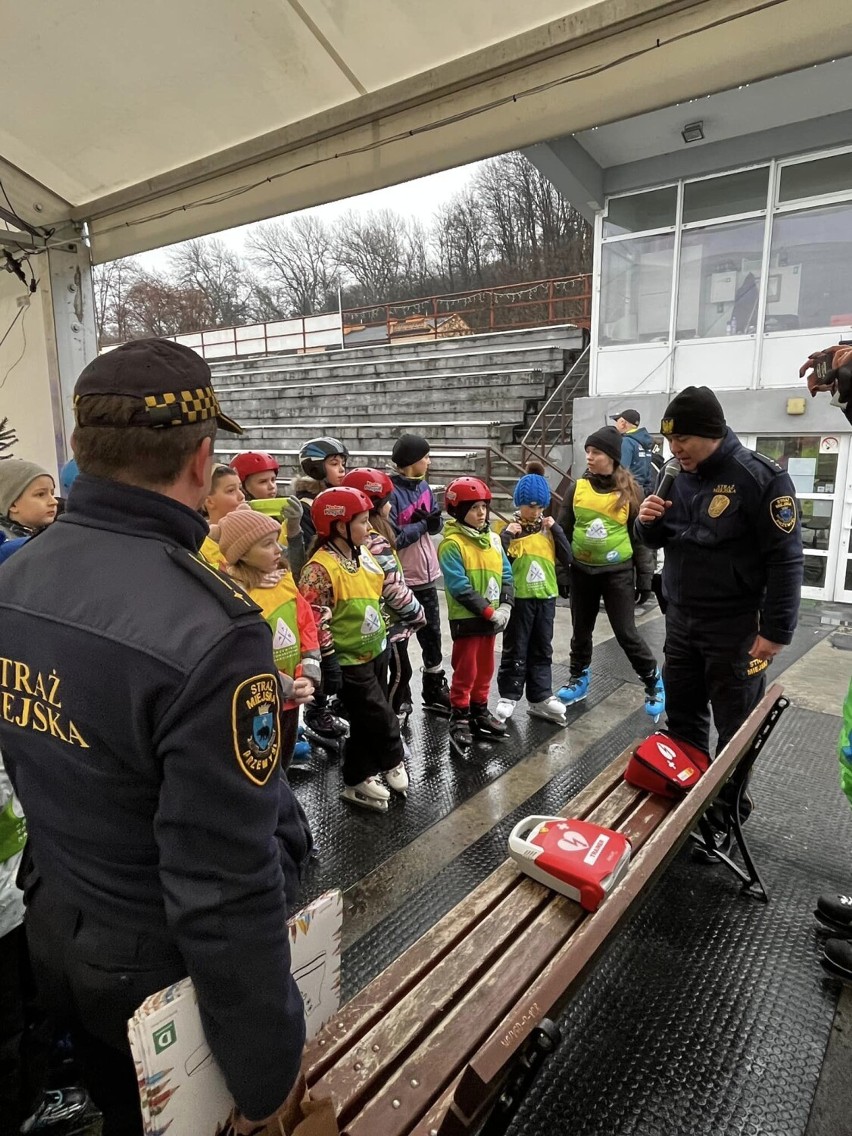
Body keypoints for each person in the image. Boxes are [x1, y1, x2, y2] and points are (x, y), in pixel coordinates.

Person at [0, 338, 313, 1135]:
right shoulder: (210, 628)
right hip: (162, 979)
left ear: (79, 448)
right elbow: (224, 882)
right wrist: (268, 1071)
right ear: (202, 456)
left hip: (58, 928)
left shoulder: (15, 578)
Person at [635, 385, 803, 770]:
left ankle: (728, 813)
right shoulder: (672, 473)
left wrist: (776, 632)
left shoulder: (760, 478)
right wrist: (645, 522)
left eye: (683, 438)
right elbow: (658, 539)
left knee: (737, 731)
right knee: (682, 723)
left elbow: (786, 560)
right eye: (670, 439)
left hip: (736, 628)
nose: (675, 448)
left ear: (712, 433)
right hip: (680, 623)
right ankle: (688, 800)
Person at [299, 486, 410, 810]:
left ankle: (359, 775)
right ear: (338, 525)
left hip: (377, 649)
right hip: (349, 659)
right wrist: (328, 660)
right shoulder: (318, 569)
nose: (368, 528)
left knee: (364, 720)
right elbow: (314, 620)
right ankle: (393, 757)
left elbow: (379, 596)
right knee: (379, 714)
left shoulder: (365, 555)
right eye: (361, 521)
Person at [556, 427, 663, 720]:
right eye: (588, 452)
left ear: (613, 457)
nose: (589, 458)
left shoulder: (631, 491)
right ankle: (578, 678)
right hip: (581, 572)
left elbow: (640, 538)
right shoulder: (577, 487)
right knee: (580, 631)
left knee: (626, 633)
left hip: (617, 574)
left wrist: (645, 579)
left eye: (596, 453)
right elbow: (562, 532)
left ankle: (653, 681)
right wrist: (561, 573)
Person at [210, 507, 321, 772]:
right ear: (243, 552)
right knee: (261, 765)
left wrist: (308, 674)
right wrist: (284, 684)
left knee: (283, 758)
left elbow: (306, 627)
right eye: (267, 544)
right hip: (260, 700)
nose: (278, 550)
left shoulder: (283, 581)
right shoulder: (233, 594)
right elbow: (242, 654)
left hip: (293, 698)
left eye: (276, 542)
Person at [438, 477, 514, 754]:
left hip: (492, 618)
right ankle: (459, 715)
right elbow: (459, 586)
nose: (481, 513)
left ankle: (479, 709)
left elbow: (507, 573)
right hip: (469, 619)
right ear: (458, 511)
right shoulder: (452, 544)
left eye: (483, 506)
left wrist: (505, 605)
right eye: (473, 508)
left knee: (485, 667)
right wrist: (488, 611)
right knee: (466, 669)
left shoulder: (494, 539)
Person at [495, 463, 573, 725]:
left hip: (546, 597)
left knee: (542, 647)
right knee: (516, 646)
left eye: (541, 507)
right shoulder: (508, 530)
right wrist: (506, 536)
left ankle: (540, 695)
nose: (536, 512)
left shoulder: (548, 530)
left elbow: (567, 556)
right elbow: (497, 562)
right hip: (520, 599)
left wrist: (557, 530)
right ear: (519, 504)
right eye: (531, 506)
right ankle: (508, 694)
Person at [291, 438, 351, 751]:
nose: (341, 468)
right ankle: (316, 712)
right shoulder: (304, 507)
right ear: (316, 467)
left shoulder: (339, 499)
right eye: (333, 463)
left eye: (343, 462)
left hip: (337, 584)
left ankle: (328, 706)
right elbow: (299, 555)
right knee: (320, 659)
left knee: (335, 657)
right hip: (313, 586)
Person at [389, 434, 452, 716]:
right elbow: (394, 538)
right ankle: (402, 693)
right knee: (399, 642)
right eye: (425, 456)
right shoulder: (391, 492)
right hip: (402, 580)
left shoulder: (425, 486)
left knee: (432, 638)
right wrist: (421, 526)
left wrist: (433, 521)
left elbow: (433, 525)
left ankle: (434, 687)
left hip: (427, 577)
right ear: (412, 460)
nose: (429, 460)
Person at [230, 451, 306, 579]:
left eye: (273, 480)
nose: (272, 487)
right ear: (242, 487)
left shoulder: (281, 516)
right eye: (262, 482)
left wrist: (294, 529)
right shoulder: (234, 522)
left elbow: (296, 571)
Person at [200, 462, 246, 568]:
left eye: (240, 488)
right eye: (231, 490)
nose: (242, 496)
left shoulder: (258, 532)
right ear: (209, 501)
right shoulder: (198, 543)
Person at [0, 460, 57, 540]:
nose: (54, 502)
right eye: (40, 494)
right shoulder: (7, 547)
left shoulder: (55, 534)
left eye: (52, 494)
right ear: (13, 504)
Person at [610, 408, 656, 496]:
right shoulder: (645, 442)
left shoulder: (626, 442)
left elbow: (621, 470)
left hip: (627, 491)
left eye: (617, 421)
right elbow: (648, 472)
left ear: (623, 423)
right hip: (642, 491)